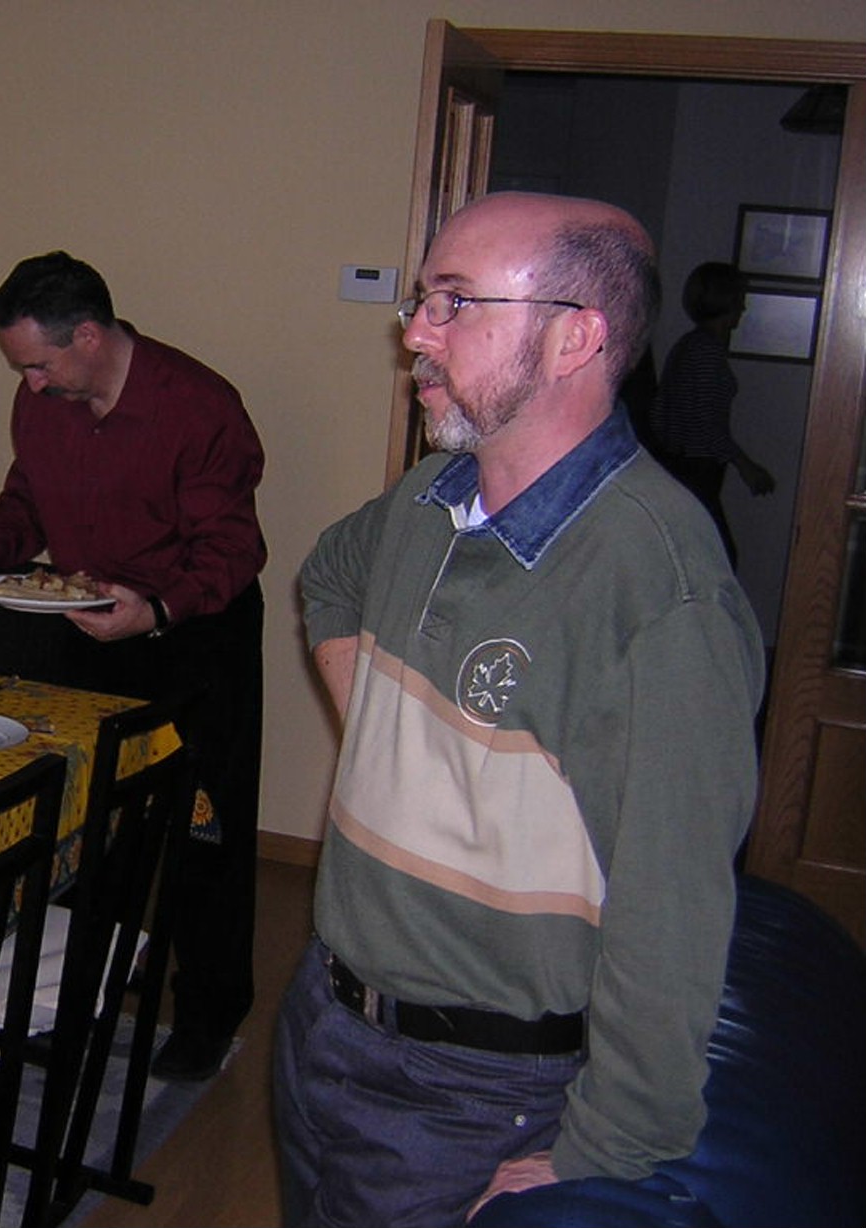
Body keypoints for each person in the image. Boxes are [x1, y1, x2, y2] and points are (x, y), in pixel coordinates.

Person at [276, 193, 764, 1227]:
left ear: (573, 338)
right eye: (421, 300)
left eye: (454, 302)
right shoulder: (430, 496)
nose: (414, 332)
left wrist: (608, 1146)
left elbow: (672, 912)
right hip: (322, 1014)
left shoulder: (659, 588)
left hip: (469, 1091)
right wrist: (381, 736)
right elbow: (329, 575)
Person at [0, 251, 267, 1081]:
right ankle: (77, 1000)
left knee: (204, 828)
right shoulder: (42, 401)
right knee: (91, 826)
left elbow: (231, 548)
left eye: (38, 365)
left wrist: (156, 609)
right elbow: (25, 495)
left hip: (194, 630)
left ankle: (206, 1015)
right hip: (89, 627)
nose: (30, 385)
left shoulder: (198, 406)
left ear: (88, 335)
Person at [649, 260, 776, 570]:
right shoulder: (704, 351)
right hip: (695, 469)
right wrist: (745, 465)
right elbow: (707, 423)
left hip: (686, 466)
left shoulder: (694, 346)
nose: (743, 307)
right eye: (739, 298)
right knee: (717, 560)